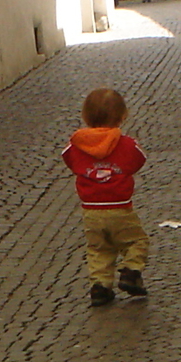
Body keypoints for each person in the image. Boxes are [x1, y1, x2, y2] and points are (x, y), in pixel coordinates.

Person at [62, 87, 149, 306]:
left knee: (98, 248)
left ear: (86, 116)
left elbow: (69, 160)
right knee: (136, 241)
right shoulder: (126, 144)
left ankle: (100, 286)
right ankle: (131, 272)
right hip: (120, 206)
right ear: (122, 116)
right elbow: (139, 160)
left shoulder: (76, 144)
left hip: (91, 209)